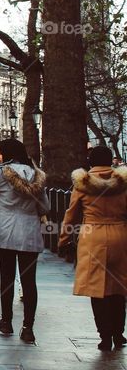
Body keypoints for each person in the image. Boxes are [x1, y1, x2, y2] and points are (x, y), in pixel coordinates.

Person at [0, 138, 48, 344]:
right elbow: (45, 207)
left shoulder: (0, 173)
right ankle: (28, 328)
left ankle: (6, 321)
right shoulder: (35, 175)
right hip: (29, 233)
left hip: (6, 233)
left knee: (7, 278)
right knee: (29, 281)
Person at [59, 145, 127, 351]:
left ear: (91, 161)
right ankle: (118, 332)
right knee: (119, 287)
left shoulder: (82, 184)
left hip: (92, 235)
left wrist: (63, 239)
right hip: (120, 235)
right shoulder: (123, 183)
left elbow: (71, 214)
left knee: (97, 289)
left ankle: (104, 335)